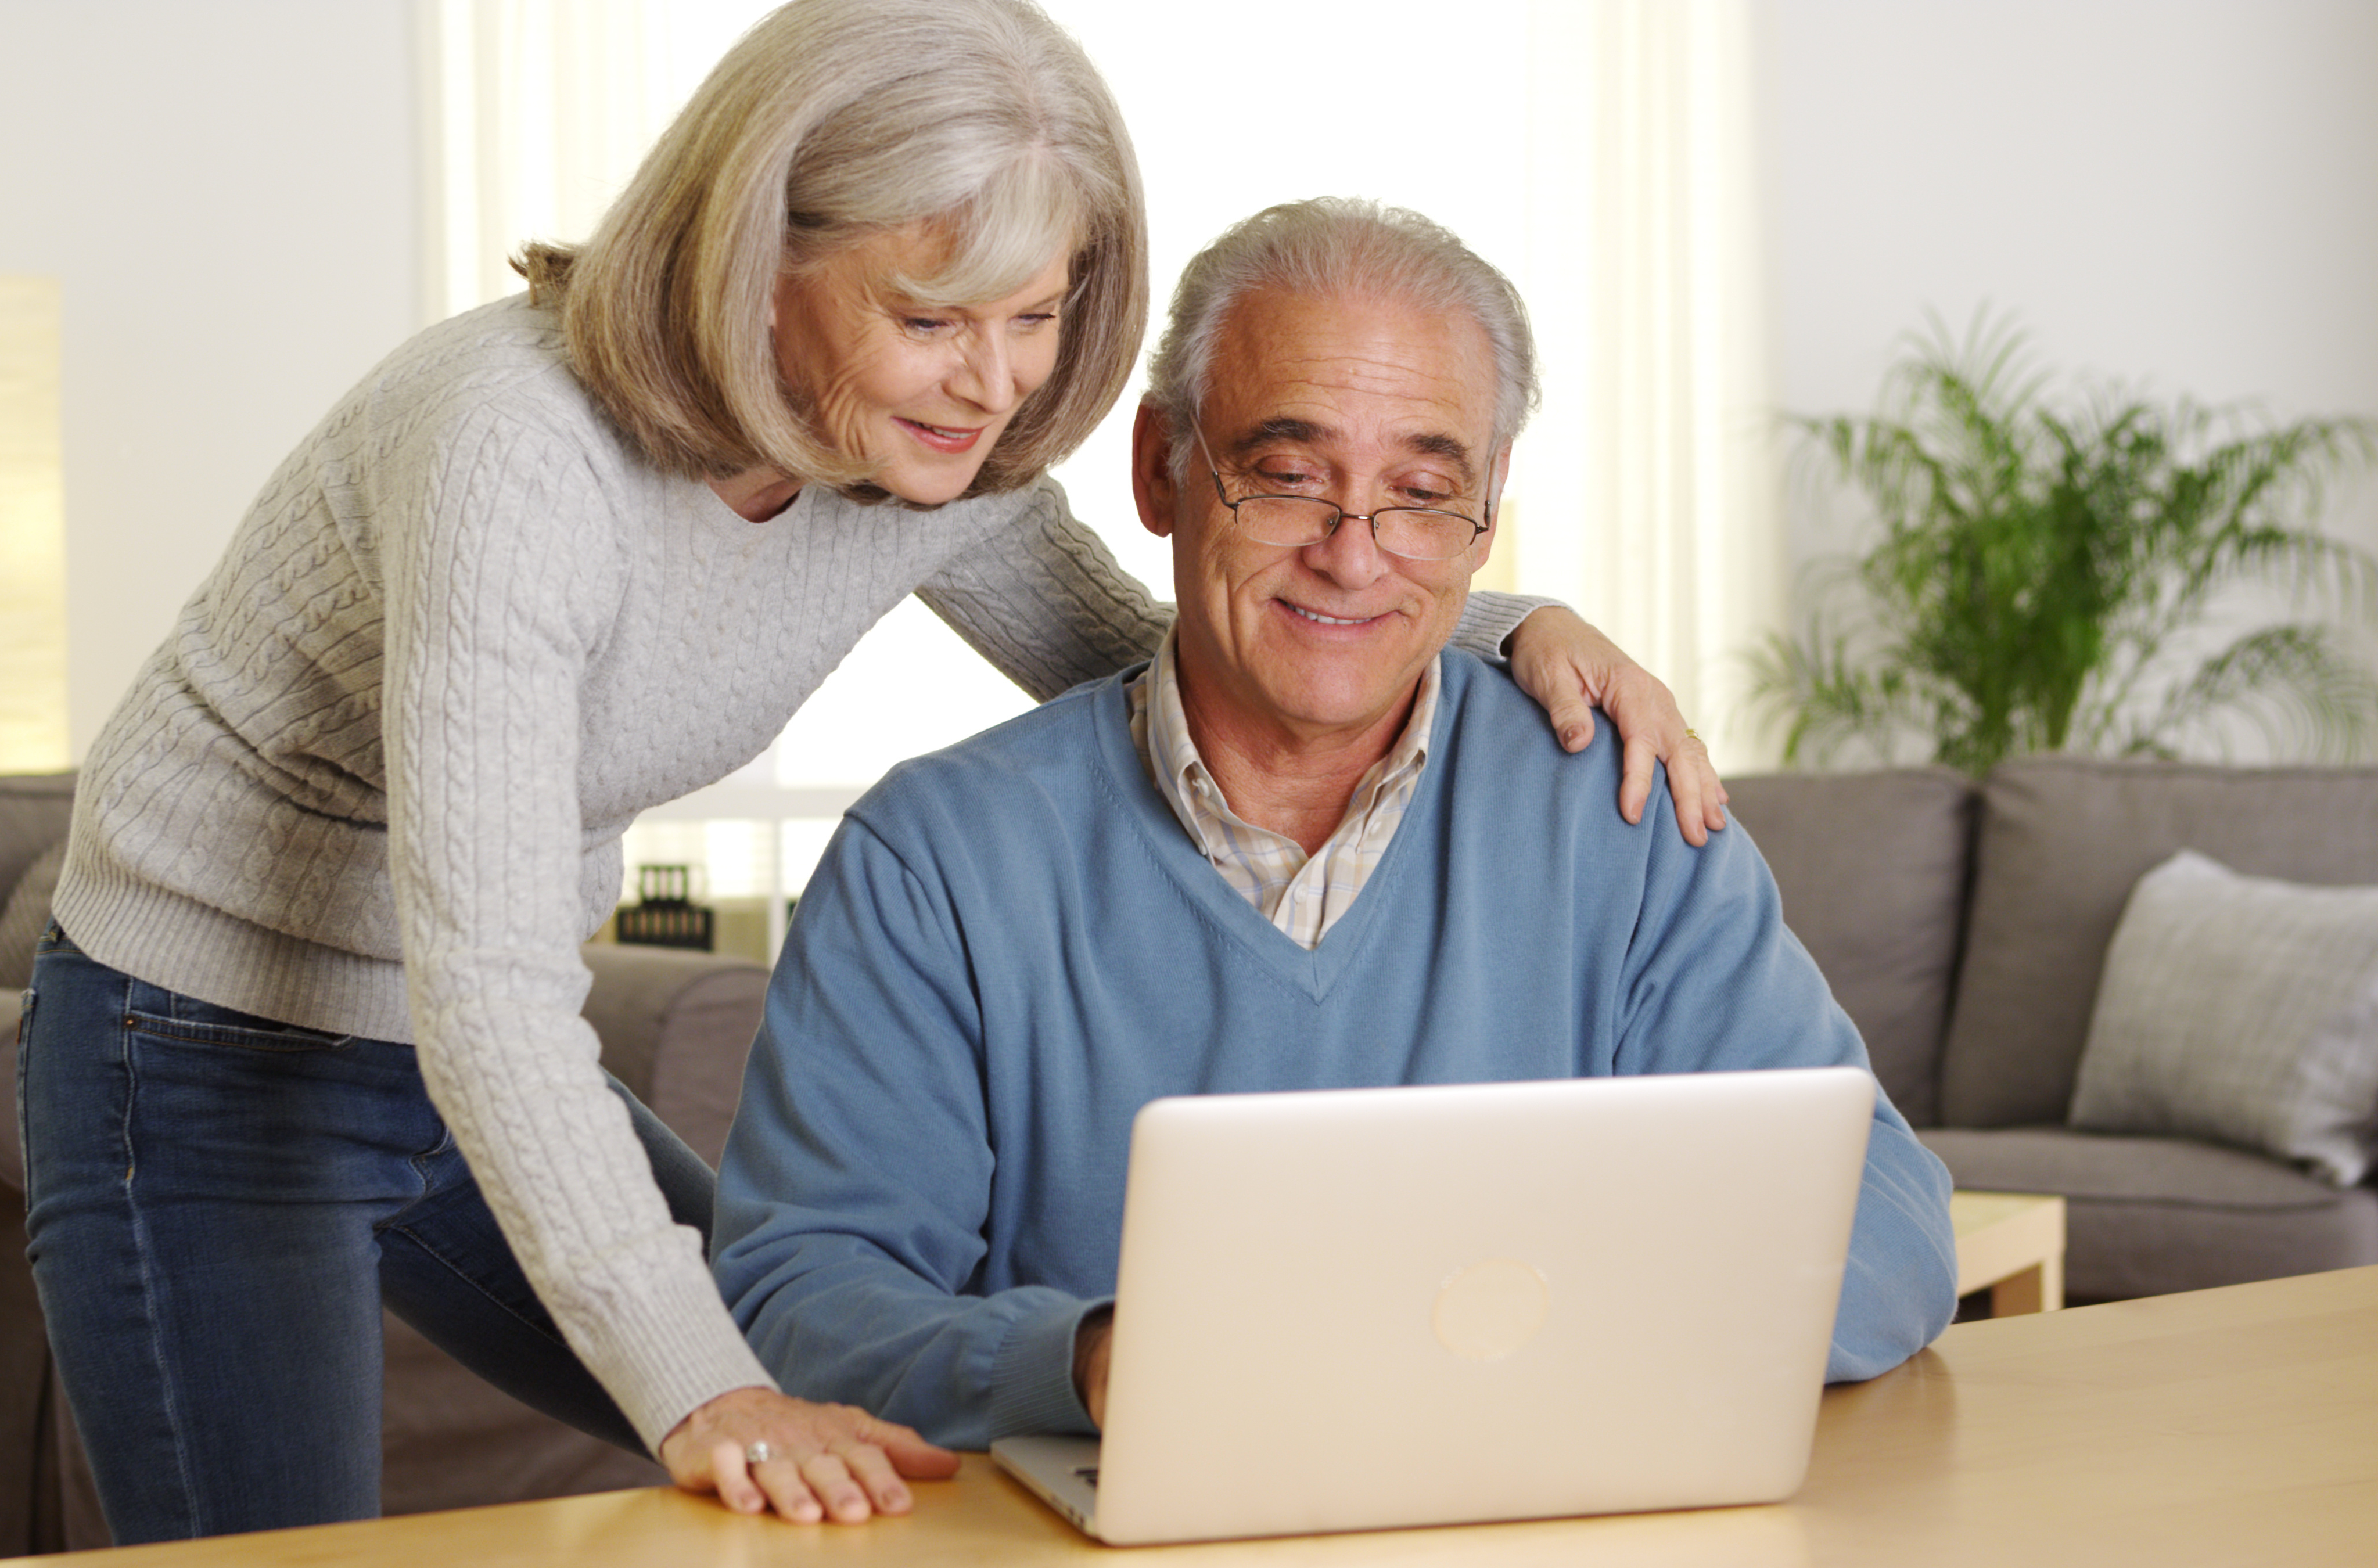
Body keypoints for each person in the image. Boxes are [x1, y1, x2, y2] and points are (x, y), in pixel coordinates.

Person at [21, 1, 1722, 1544]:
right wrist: (703, 1395)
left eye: (1040, 315)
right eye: (931, 315)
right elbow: (493, 989)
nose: (994, 383)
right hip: (199, 1038)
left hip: (438, 1044)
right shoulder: (513, 457)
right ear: (761, 254)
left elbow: (1166, 653)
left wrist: (1494, 621)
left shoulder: (920, 456)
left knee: (833, 1386)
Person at [710, 197, 1960, 1452]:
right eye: (1288, 478)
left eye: (1421, 494)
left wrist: (1560, 1358)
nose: (1354, 559)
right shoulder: (933, 863)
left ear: (1487, 507)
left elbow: (1883, 1217)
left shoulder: (1621, 814)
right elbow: (799, 1302)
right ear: (1161, 469)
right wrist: (1085, 1362)